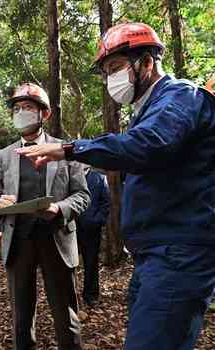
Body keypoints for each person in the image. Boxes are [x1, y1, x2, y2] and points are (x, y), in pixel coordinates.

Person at [16, 22, 215, 350]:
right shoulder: (148, 109)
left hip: (179, 256)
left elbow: (147, 144)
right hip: (153, 255)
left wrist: (70, 148)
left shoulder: (180, 96)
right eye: (106, 72)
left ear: (147, 63)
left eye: (116, 68)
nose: (111, 80)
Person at [0, 83, 90, 350]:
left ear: (44, 114)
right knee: (21, 314)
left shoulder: (66, 150)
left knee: (65, 314)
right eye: (17, 108)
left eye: (28, 108)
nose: (21, 113)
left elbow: (82, 195)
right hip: (18, 240)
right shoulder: (5, 155)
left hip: (56, 238)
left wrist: (59, 209)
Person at [76, 166, 110, 307]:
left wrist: (97, 221)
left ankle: (91, 295)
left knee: (91, 263)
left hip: (91, 229)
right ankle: (68, 295)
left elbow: (106, 202)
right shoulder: (68, 175)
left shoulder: (100, 178)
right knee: (66, 264)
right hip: (69, 228)